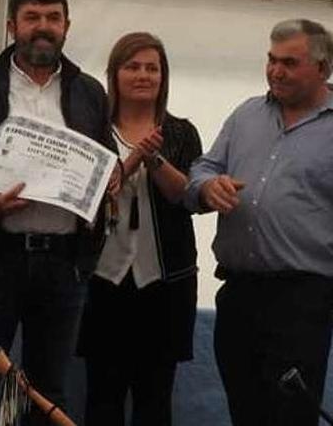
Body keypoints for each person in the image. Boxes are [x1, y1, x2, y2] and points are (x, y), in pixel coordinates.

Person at [0, 0, 118, 426]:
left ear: (67, 26)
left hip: (63, 264)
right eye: (32, 18)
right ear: (11, 26)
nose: (44, 27)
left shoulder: (90, 92)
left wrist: (108, 178)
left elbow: (104, 163)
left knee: (48, 392)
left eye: (53, 18)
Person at [185, 19, 333, 426]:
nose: (275, 71)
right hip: (239, 293)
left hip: (302, 299)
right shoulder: (246, 114)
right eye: (271, 59)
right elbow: (203, 168)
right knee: (245, 411)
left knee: (290, 415)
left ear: (323, 69)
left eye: (289, 62)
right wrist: (206, 187)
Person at [77, 32, 202, 425]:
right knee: (103, 396)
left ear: (164, 77)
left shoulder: (181, 132)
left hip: (165, 283)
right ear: (114, 74)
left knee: (155, 398)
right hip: (103, 279)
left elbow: (189, 198)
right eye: (132, 66)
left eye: (153, 68)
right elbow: (87, 195)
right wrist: (130, 160)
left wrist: (154, 159)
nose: (143, 75)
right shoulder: (91, 129)